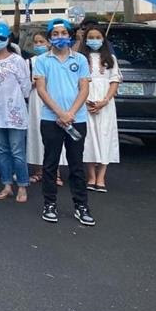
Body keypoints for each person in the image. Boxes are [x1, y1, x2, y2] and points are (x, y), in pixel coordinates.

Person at [34, 18, 95, 226]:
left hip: (76, 119)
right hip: (51, 119)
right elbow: (41, 89)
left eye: (63, 33)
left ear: (70, 35)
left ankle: (81, 206)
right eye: (55, 34)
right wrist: (60, 113)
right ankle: (49, 204)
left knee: (76, 165)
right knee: (50, 163)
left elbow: (84, 88)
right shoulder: (42, 60)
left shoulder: (80, 59)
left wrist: (70, 113)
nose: (60, 37)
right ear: (50, 38)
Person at [0, 23, 32, 203]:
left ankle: (23, 186)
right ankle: (7, 185)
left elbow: (26, 86)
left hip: (15, 112)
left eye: (2, 38)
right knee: (2, 151)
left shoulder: (17, 60)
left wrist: (17, 102)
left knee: (18, 152)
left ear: (8, 39)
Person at [79, 26, 121, 192]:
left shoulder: (110, 58)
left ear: (103, 39)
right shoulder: (80, 58)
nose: (94, 40)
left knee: (105, 137)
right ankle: (91, 175)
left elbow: (114, 81)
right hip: (85, 102)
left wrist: (104, 101)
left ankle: (101, 176)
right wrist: (87, 100)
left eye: (97, 37)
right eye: (91, 37)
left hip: (105, 104)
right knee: (88, 138)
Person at [26, 32, 66, 184]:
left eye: (41, 41)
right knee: (36, 131)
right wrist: (32, 83)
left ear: (49, 42)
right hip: (36, 99)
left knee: (53, 134)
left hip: (53, 97)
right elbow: (25, 83)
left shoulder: (55, 59)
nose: (38, 45)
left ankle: (54, 171)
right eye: (35, 42)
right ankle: (38, 170)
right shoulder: (30, 61)